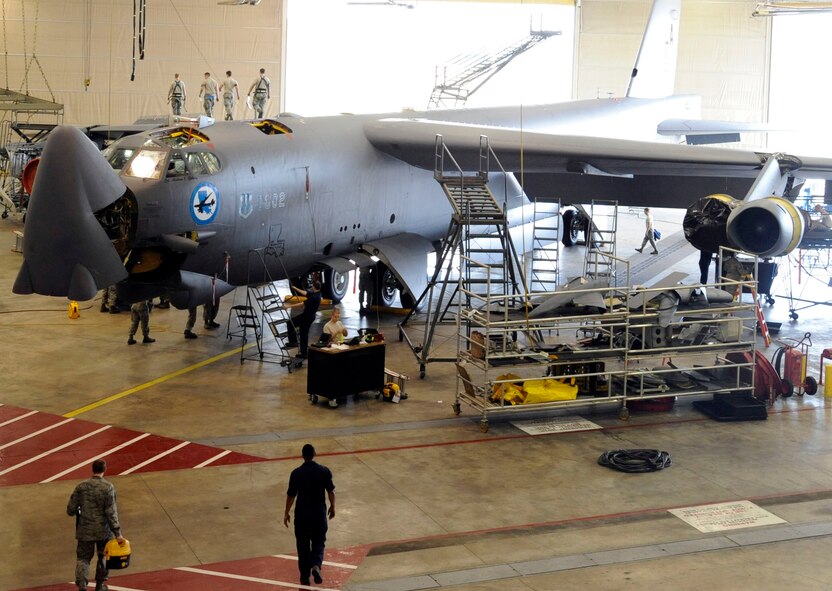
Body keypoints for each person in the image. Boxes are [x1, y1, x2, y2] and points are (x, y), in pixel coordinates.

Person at [66, 459, 125, 591]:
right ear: (104, 470)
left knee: (83, 558)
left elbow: (70, 510)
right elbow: (111, 513)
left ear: (92, 469)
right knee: (103, 556)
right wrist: (118, 534)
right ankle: (100, 585)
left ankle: (82, 586)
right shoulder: (108, 487)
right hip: (103, 531)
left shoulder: (81, 487)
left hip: (84, 530)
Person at [284, 444, 336, 586]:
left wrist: (286, 512)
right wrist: (333, 506)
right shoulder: (324, 471)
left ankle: (305, 576)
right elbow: (331, 491)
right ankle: (316, 565)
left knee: (303, 545)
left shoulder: (296, 473)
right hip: (318, 514)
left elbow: (291, 495)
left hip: (302, 516)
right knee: (319, 541)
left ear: (302, 455)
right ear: (314, 453)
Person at [285, 281, 322, 359]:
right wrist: (295, 288)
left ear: (314, 287)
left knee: (290, 323)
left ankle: (293, 342)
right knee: (303, 334)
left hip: (306, 317)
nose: (311, 287)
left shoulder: (314, 297)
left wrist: (289, 306)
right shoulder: (317, 294)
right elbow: (305, 293)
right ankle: (304, 352)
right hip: (309, 316)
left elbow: (301, 304)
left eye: (312, 286)